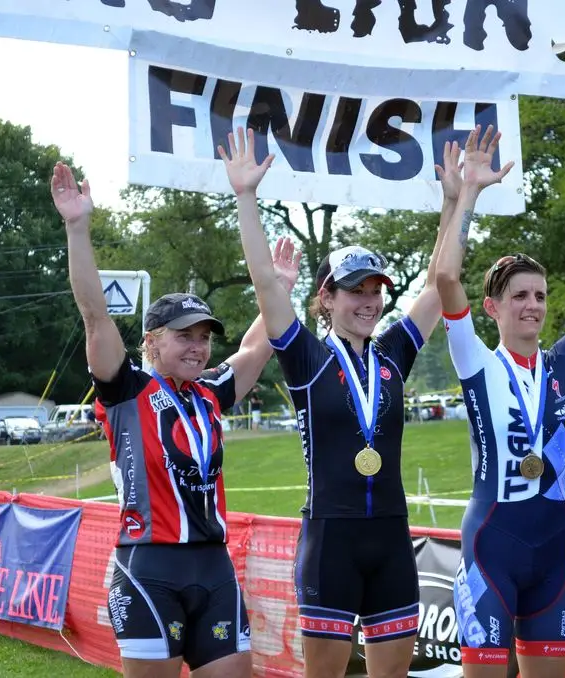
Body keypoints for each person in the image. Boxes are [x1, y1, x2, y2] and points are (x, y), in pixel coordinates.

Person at [51, 161, 302, 678]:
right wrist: (77, 227)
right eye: (185, 335)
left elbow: (260, 344)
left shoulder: (211, 391)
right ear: (153, 340)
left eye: (205, 336)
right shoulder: (126, 390)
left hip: (214, 566)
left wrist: (278, 288)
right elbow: (95, 315)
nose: (198, 346)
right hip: (149, 569)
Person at [217, 128, 449, 678]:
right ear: (328, 298)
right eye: (356, 291)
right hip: (330, 540)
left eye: (376, 291)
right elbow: (264, 284)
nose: (369, 302)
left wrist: (457, 202)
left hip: (393, 537)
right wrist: (246, 197)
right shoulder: (307, 358)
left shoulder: (394, 352)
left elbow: (442, 283)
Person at [435, 126, 565, 678]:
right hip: (491, 550)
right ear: (492, 307)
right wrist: (471, 194)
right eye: (520, 296)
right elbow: (444, 276)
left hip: (554, 552)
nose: (533, 306)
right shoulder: (476, 362)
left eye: (541, 296)